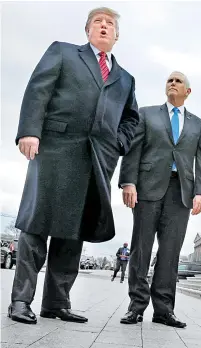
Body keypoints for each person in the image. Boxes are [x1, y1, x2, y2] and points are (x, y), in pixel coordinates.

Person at [8, 7, 139, 325]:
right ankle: (21, 300)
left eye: (110, 24)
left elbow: (131, 120)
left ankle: (56, 302)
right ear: (88, 30)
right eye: (98, 22)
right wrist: (29, 130)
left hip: (96, 159)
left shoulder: (126, 78)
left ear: (117, 35)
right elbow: (39, 89)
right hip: (55, 147)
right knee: (36, 223)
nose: (104, 27)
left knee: (74, 228)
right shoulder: (64, 52)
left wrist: (116, 145)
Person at [118, 71, 201, 328]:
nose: (173, 83)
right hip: (147, 189)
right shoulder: (147, 114)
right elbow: (133, 150)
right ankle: (136, 306)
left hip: (180, 192)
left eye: (178, 81)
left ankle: (163, 309)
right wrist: (129, 182)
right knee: (141, 248)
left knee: (170, 252)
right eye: (169, 80)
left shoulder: (199, 125)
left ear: (188, 92)